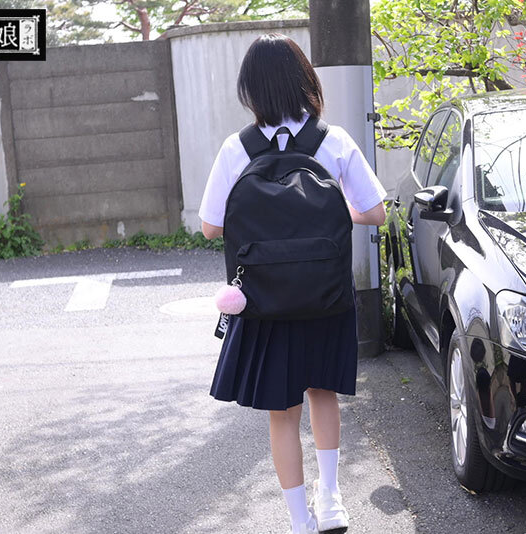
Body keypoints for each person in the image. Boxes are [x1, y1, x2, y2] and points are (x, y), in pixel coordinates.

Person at [199, 33, 387, 534]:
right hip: (326, 294)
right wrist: (330, 216)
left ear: (251, 89)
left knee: (282, 413)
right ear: (306, 80)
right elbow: (375, 212)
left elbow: (211, 227)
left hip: (263, 300)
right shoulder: (333, 140)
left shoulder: (237, 148)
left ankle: (300, 522)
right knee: (323, 394)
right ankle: (332, 502)